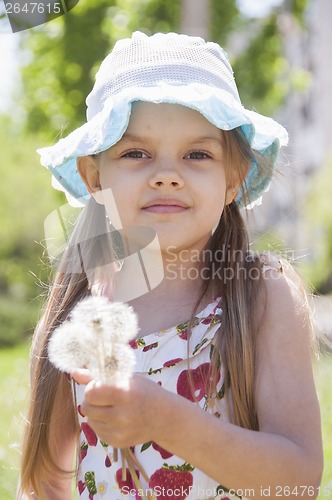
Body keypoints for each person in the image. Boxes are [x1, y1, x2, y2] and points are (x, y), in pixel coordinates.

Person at [18, 31, 323, 499]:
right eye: (135, 153)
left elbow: (296, 483)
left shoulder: (261, 296)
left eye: (197, 154)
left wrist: (169, 420)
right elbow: (47, 483)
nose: (166, 174)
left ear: (232, 179)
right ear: (94, 177)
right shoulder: (81, 313)